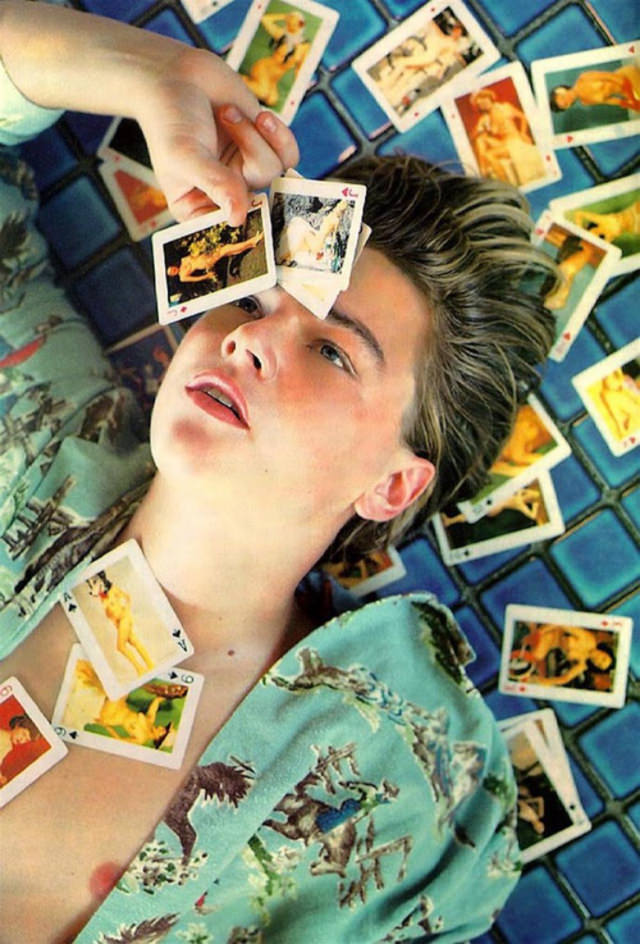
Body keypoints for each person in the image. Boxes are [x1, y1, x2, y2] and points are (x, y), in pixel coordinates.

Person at [0, 3, 557, 942]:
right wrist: (151, 76)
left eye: (334, 351)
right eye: (253, 298)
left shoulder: (401, 795)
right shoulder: (36, 428)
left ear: (393, 486)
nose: (248, 339)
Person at [549, 62, 640, 113]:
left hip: (628, 77)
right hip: (628, 92)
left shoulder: (584, 78)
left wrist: (633, 100)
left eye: (563, 97)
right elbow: (610, 101)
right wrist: (630, 104)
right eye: (565, 104)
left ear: (561, 90)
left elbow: (619, 79)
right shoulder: (585, 102)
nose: (568, 100)